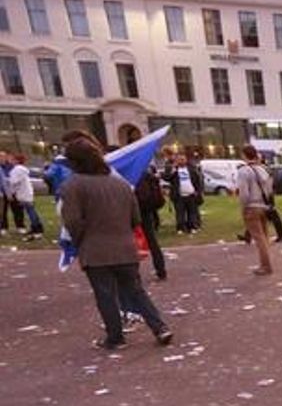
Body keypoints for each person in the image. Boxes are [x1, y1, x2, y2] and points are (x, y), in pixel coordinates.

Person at [59, 137, 171, 350]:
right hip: (125, 246)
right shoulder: (120, 184)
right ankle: (160, 327)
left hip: (95, 248)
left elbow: (72, 221)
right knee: (136, 291)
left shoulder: (73, 185)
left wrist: (80, 238)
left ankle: (115, 336)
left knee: (105, 295)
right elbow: (135, 218)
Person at [234, 145, 274, 276]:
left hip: (251, 206)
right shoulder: (263, 170)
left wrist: (243, 207)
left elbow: (244, 193)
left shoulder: (243, 171)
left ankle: (266, 266)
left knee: (259, 238)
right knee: (264, 236)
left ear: (244, 155)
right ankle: (266, 263)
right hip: (263, 205)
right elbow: (269, 189)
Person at [134, 165, 168, 280]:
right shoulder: (146, 173)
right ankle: (161, 270)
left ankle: (133, 274)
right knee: (152, 240)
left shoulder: (130, 175)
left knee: (129, 242)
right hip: (147, 210)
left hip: (134, 210)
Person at [7, 153, 43, 240]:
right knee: (31, 210)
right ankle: (36, 227)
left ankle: (37, 229)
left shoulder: (16, 170)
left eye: (12, 159)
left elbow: (14, 182)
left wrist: (9, 187)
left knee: (31, 211)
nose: (10, 161)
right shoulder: (22, 170)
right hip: (27, 193)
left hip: (23, 193)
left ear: (17, 160)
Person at [165, 152, 203, 234]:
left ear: (186, 160)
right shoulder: (174, 170)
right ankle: (180, 228)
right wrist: (173, 170)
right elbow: (167, 178)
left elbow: (197, 181)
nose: (181, 161)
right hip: (179, 195)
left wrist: (197, 191)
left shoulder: (191, 169)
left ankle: (192, 227)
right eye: (180, 159)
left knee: (192, 212)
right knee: (180, 213)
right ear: (177, 160)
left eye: (183, 159)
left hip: (191, 194)